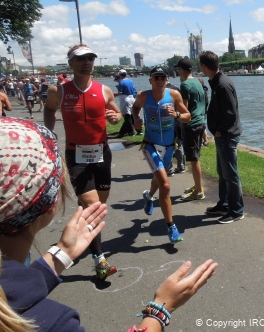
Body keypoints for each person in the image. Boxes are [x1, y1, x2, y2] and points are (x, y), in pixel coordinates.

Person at [0, 117, 218, 332]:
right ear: (50, 204)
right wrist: (159, 311)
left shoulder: (10, 292)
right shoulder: (53, 323)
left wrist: (60, 255)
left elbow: (16, 290)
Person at [44, 44, 122, 280]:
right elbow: (49, 109)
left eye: (90, 58)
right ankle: (100, 260)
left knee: (98, 207)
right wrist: (49, 134)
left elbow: (116, 115)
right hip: (75, 155)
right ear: (71, 63)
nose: (87, 62)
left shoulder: (104, 90)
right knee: (93, 206)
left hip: (102, 154)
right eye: (81, 59)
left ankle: (81, 229)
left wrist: (115, 118)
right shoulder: (59, 91)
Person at [132, 66, 191, 244]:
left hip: (169, 146)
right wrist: (136, 120)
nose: (159, 81)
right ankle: (171, 226)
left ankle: (148, 196)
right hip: (150, 145)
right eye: (156, 78)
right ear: (150, 80)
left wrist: (177, 114)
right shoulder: (143, 96)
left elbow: (188, 116)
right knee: (165, 184)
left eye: (162, 77)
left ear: (167, 79)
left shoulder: (174, 95)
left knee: (159, 178)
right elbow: (135, 108)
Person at [199, 51, 244, 224]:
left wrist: (221, 130)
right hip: (223, 135)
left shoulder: (223, 84)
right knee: (223, 172)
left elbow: (231, 113)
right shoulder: (217, 82)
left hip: (227, 135)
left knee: (230, 174)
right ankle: (224, 205)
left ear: (204, 66)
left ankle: (236, 211)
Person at [175, 58, 206, 201]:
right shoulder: (198, 82)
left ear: (181, 69)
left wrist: (175, 114)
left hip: (191, 125)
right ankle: (197, 185)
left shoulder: (185, 85)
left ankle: (199, 191)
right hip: (200, 123)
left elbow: (184, 110)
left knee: (194, 159)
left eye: (178, 69)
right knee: (195, 157)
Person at [114, 69, 138, 137]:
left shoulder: (121, 82)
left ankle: (130, 132)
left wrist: (114, 94)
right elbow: (134, 90)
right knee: (132, 115)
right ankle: (135, 130)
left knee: (127, 116)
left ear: (119, 75)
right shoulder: (130, 80)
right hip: (132, 98)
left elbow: (120, 93)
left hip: (125, 99)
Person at [197, 77, 209, 146]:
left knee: (201, 126)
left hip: (202, 111)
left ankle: (203, 141)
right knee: (203, 126)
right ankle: (205, 141)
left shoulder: (201, 91)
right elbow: (207, 102)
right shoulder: (205, 91)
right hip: (204, 111)